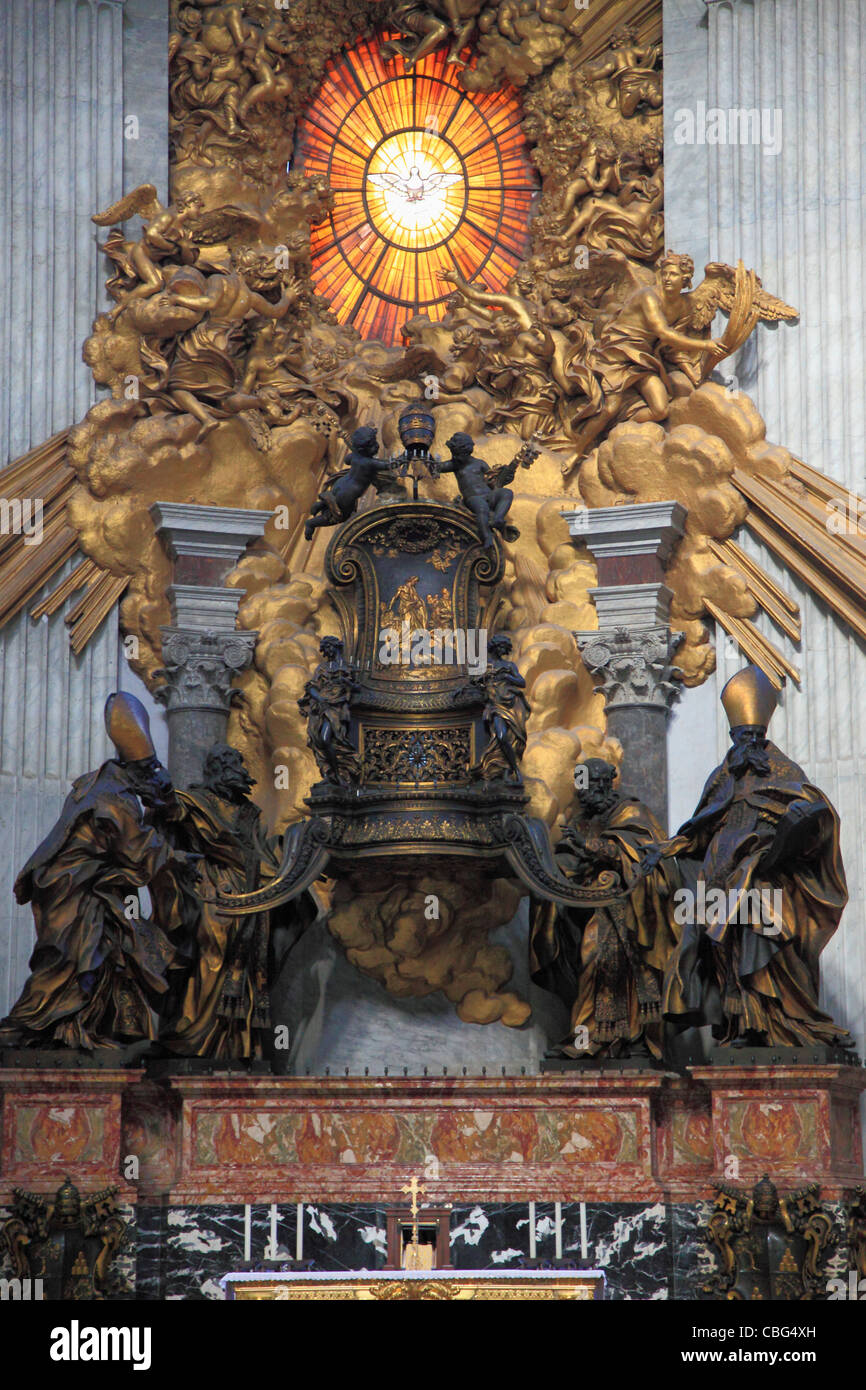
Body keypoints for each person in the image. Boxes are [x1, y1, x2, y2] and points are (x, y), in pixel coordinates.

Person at [640, 665, 852, 1049]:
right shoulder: (723, 778)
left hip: (767, 877)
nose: (750, 744)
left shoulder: (784, 771)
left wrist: (786, 833)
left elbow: (815, 813)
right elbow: (697, 829)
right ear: (733, 736)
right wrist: (664, 850)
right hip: (718, 876)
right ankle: (741, 1025)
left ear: (764, 736)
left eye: (757, 736)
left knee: (766, 942)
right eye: (744, 736)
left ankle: (780, 1023)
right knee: (725, 952)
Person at [0, 694, 192, 1053]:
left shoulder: (98, 781)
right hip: (72, 889)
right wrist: (181, 858)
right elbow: (138, 848)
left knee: (101, 956)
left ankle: (78, 1029)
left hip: (77, 886)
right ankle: (31, 1022)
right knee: (71, 958)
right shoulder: (112, 799)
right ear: (137, 773)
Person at [531, 759, 678, 1059]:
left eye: (597, 784)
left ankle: (633, 1040)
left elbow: (642, 856)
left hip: (632, 913)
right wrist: (551, 876)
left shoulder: (631, 812)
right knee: (592, 967)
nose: (590, 792)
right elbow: (568, 861)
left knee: (606, 963)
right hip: (594, 907)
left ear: (607, 783)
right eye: (584, 787)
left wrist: (590, 848)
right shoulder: (583, 820)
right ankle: (589, 1040)